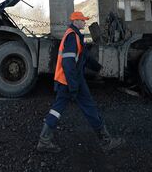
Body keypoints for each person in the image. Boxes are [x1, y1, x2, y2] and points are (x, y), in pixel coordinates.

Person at [37, 11, 124, 153]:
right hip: (72, 80)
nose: (85, 22)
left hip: (66, 80)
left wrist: (97, 68)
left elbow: (84, 56)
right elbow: (68, 63)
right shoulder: (72, 36)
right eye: (83, 20)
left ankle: (44, 140)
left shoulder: (75, 35)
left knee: (57, 109)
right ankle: (106, 142)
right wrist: (73, 86)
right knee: (89, 108)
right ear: (76, 21)